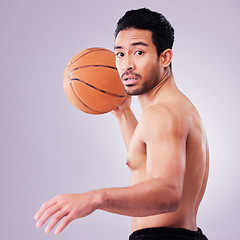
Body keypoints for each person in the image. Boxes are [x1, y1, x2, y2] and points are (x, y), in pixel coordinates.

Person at [34, 8, 209, 240]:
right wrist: (123, 113)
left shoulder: (162, 114)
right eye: (120, 54)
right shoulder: (175, 108)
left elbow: (168, 194)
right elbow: (145, 161)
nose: (127, 65)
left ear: (165, 57)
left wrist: (95, 198)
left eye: (138, 52)